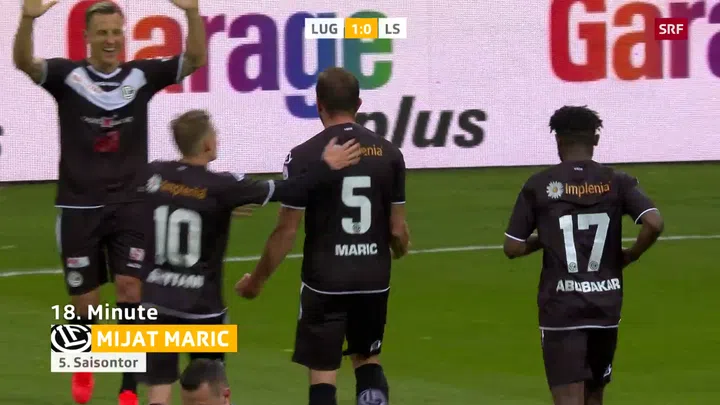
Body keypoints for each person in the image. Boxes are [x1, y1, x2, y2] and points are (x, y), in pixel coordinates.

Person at [12, 1, 207, 404]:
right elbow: (24, 63)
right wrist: (27, 19)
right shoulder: (67, 77)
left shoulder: (141, 75)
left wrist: (192, 12)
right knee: (84, 302)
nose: (110, 40)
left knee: (131, 289)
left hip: (131, 203)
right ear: (86, 37)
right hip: (79, 206)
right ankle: (81, 363)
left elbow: (194, 60)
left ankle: (128, 386)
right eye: (102, 32)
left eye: (116, 32)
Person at [138, 109, 361, 405]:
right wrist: (326, 166)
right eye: (214, 135)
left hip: (154, 301)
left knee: (159, 388)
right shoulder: (223, 186)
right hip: (202, 308)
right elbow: (288, 189)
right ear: (207, 144)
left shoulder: (153, 174)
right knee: (211, 390)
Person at [236, 67, 411, 405]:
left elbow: (286, 231)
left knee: (323, 372)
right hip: (373, 278)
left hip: (325, 280)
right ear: (359, 104)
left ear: (318, 104)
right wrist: (400, 248)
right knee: (368, 358)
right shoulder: (390, 154)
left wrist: (256, 282)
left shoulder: (303, 156)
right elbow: (397, 231)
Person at [502, 106, 664, 405]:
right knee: (594, 395)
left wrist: (545, 238)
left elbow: (513, 247)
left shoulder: (539, 184)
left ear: (558, 140)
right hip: (606, 303)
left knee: (568, 398)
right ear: (596, 140)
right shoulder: (618, 181)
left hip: (561, 307)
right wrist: (631, 255)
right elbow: (654, 223)